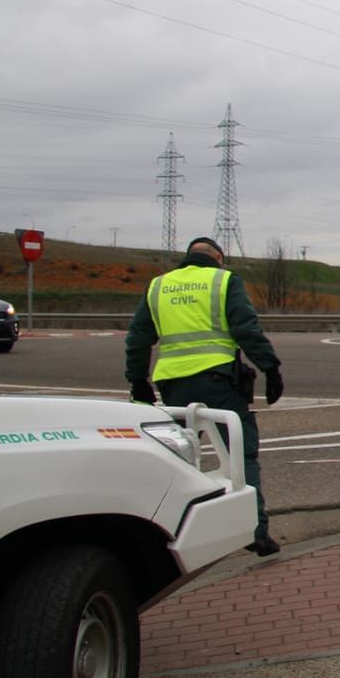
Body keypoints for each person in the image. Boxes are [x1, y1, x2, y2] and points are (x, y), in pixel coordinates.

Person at [125, 235, 285, 556]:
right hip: (219, 383)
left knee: (176, 459)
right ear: (218, 258)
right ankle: (255, 530)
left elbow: (139, 337)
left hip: (172, 386)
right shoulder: (224, 281)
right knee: (240, 454)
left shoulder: (159, 286)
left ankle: (167, 534)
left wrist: (137, 380)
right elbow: (246, 329)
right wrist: (270, 367)